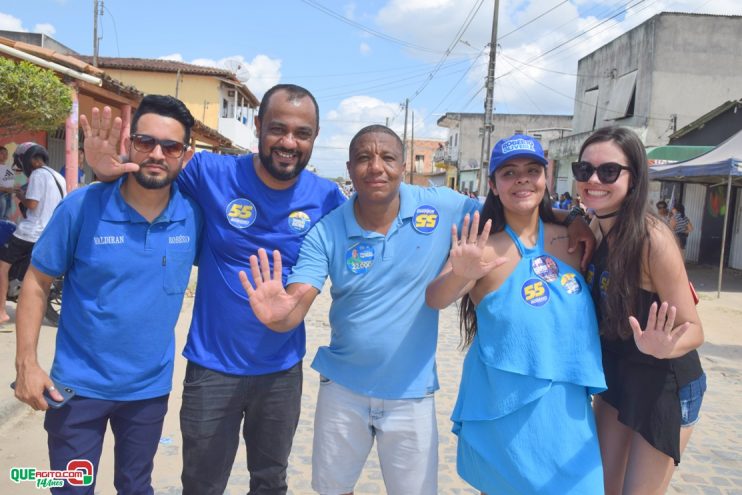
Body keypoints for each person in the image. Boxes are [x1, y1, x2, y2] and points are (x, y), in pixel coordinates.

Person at [240, 128, 595, 495]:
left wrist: (572, 219)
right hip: (342, 391)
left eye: (388, 158)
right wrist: (278, 315)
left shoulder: (442, 206)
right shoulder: (326, 231)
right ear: (349, 167)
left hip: (413, 394)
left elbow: (514, 204)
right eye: (364, 158)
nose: (376, 167)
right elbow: (296, 303)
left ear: (404, 165)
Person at [83, 83, 347, 495]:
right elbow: (151, 175)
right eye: (278, 129)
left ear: (315, 138)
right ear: (258, 126)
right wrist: (104, 170)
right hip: (212, 368)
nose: (288, 142)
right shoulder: (210, 172)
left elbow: (372, 228)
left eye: (302, 133)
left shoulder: (328, 197)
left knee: (270, 482)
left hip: (281, 371)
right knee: (202, 484)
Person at [14, 94, 201, 495]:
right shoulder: (81, 206)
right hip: (76, 388)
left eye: (170, 146)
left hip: (149, 391)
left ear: (185, 155)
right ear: (129, 143)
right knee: (70, 488)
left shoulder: (193, 214)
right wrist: (26, 365)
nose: (156, 153)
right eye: (145, 141)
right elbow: (35, 282)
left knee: (137, 487)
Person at [425, 134, 606, 494]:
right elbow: (436, 298)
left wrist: (572, 216)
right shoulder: (481, 246)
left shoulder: (575, 240)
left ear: (546, 178)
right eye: (508, 172)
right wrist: (463, 272)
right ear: (492, 185)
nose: (522, 179)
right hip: (503, 411)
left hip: (568, 411)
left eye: (532, 170)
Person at [573, 126, 705, 494]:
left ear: (634, 178)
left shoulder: (652, 240)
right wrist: (571, 221)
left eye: (609, 171)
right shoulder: (593, 227)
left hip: (663, 383)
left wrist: (664, 346)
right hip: (617, 375)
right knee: (599, 486)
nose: (594, 180)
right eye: (584, 170)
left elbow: (694, 329)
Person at [0, 143, 65, 325]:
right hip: (49, 232)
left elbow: (32, 204)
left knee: (2, 267)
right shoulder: (58, 176)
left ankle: (1, 312)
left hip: (31, 232)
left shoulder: (38, 174)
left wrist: (20, 195)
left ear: (27, 160)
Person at [0, 146, 16, 219]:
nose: (5, 155)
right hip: (1, 196)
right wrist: (6, 189)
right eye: (2, 153)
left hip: (9, 195)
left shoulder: (9, 167)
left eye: (6, 153)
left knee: (6, 218)